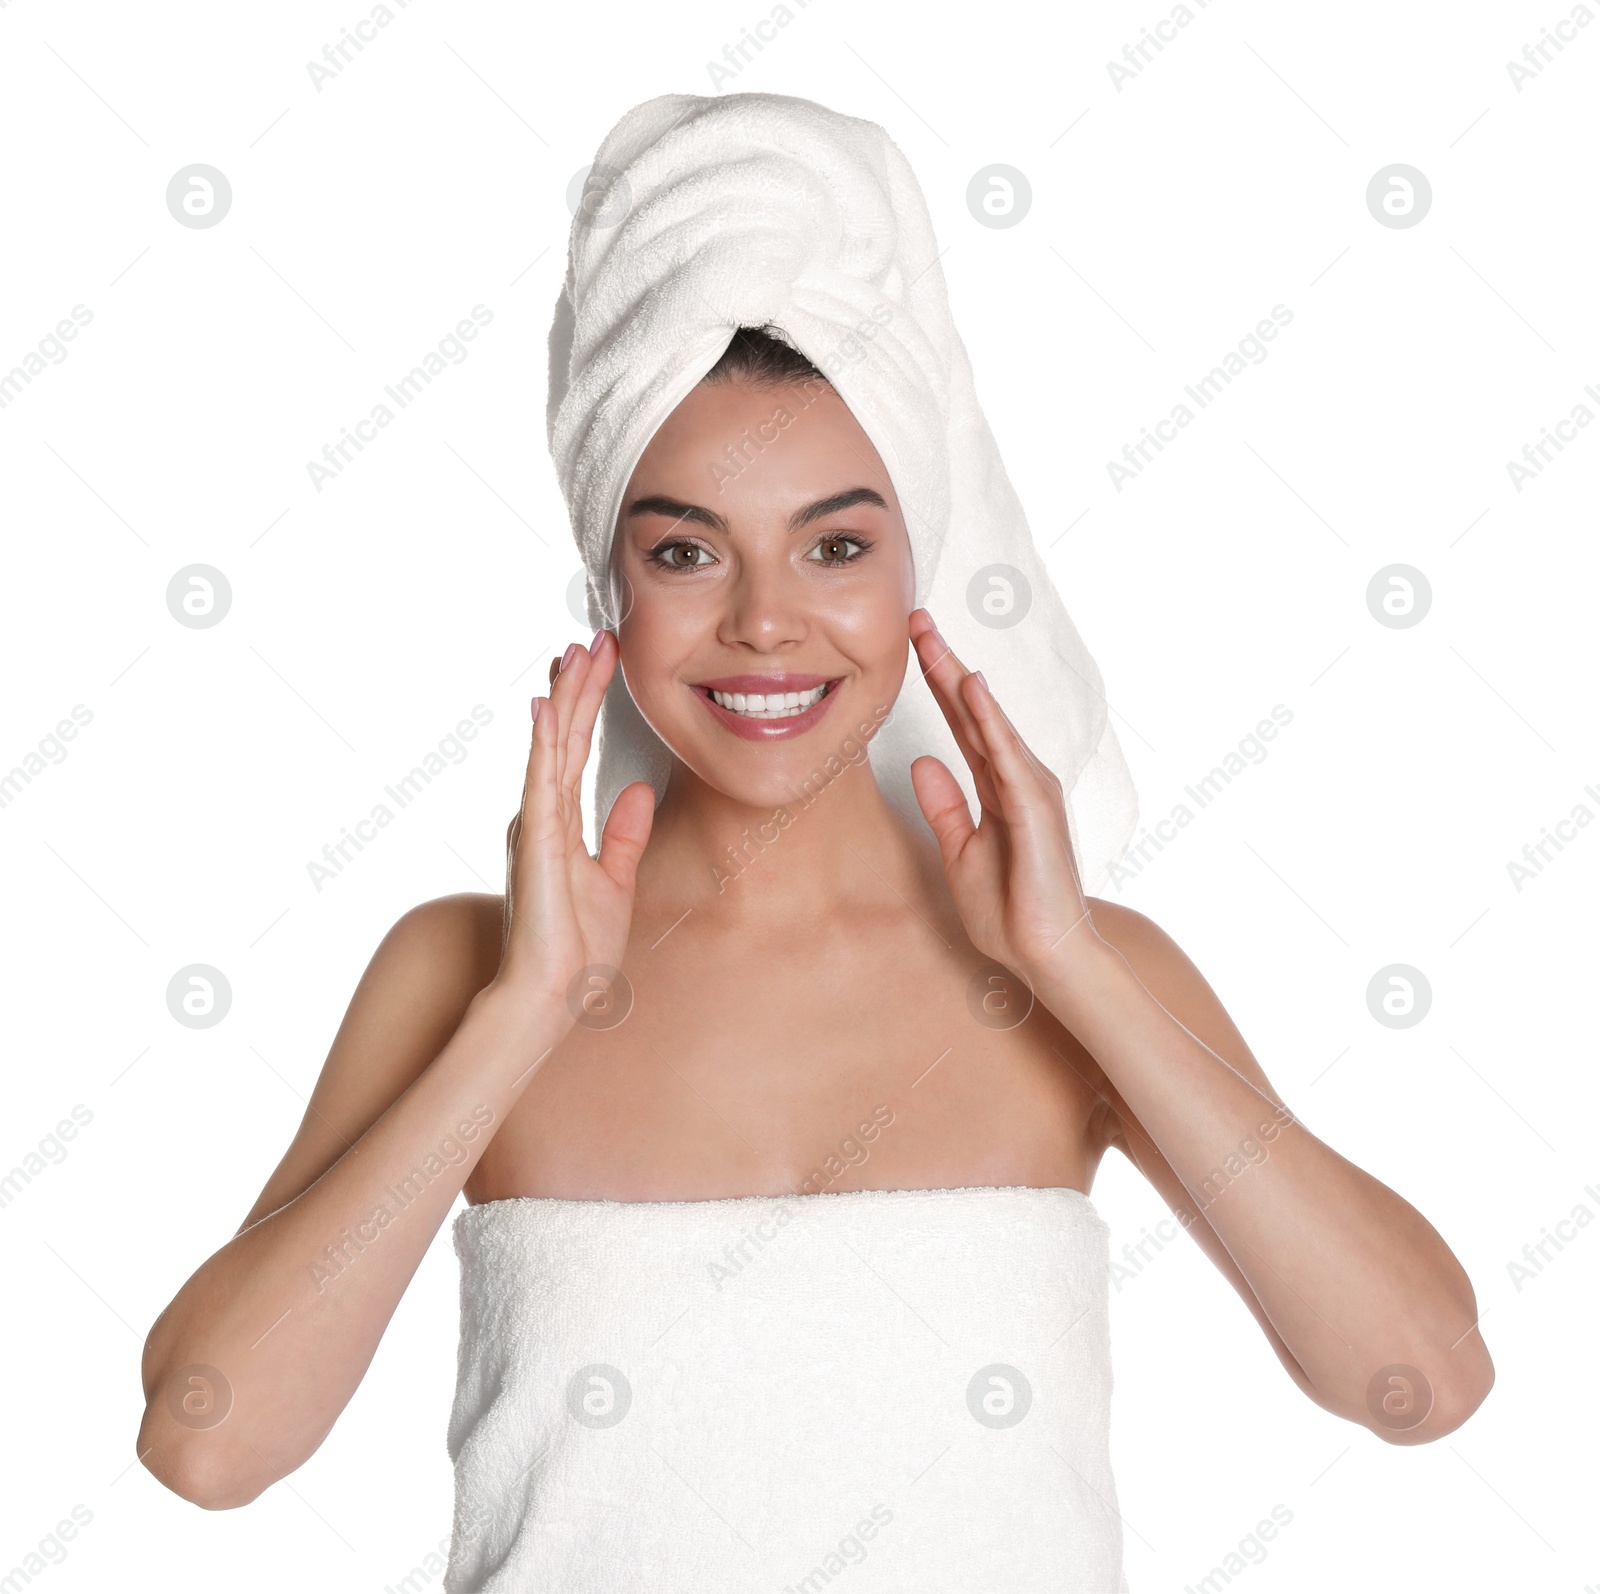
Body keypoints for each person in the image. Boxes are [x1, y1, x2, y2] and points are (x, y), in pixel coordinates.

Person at [137, 322, 1492, 1588]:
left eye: (835, 548)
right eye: (686, 552)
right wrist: (523, 1012)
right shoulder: (464, 972)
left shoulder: (1080, 969)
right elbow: (209, 1444)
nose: (766, 620)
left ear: (918, 569)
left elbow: (1424, 1377)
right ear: (612, 582)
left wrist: (1074, 966)